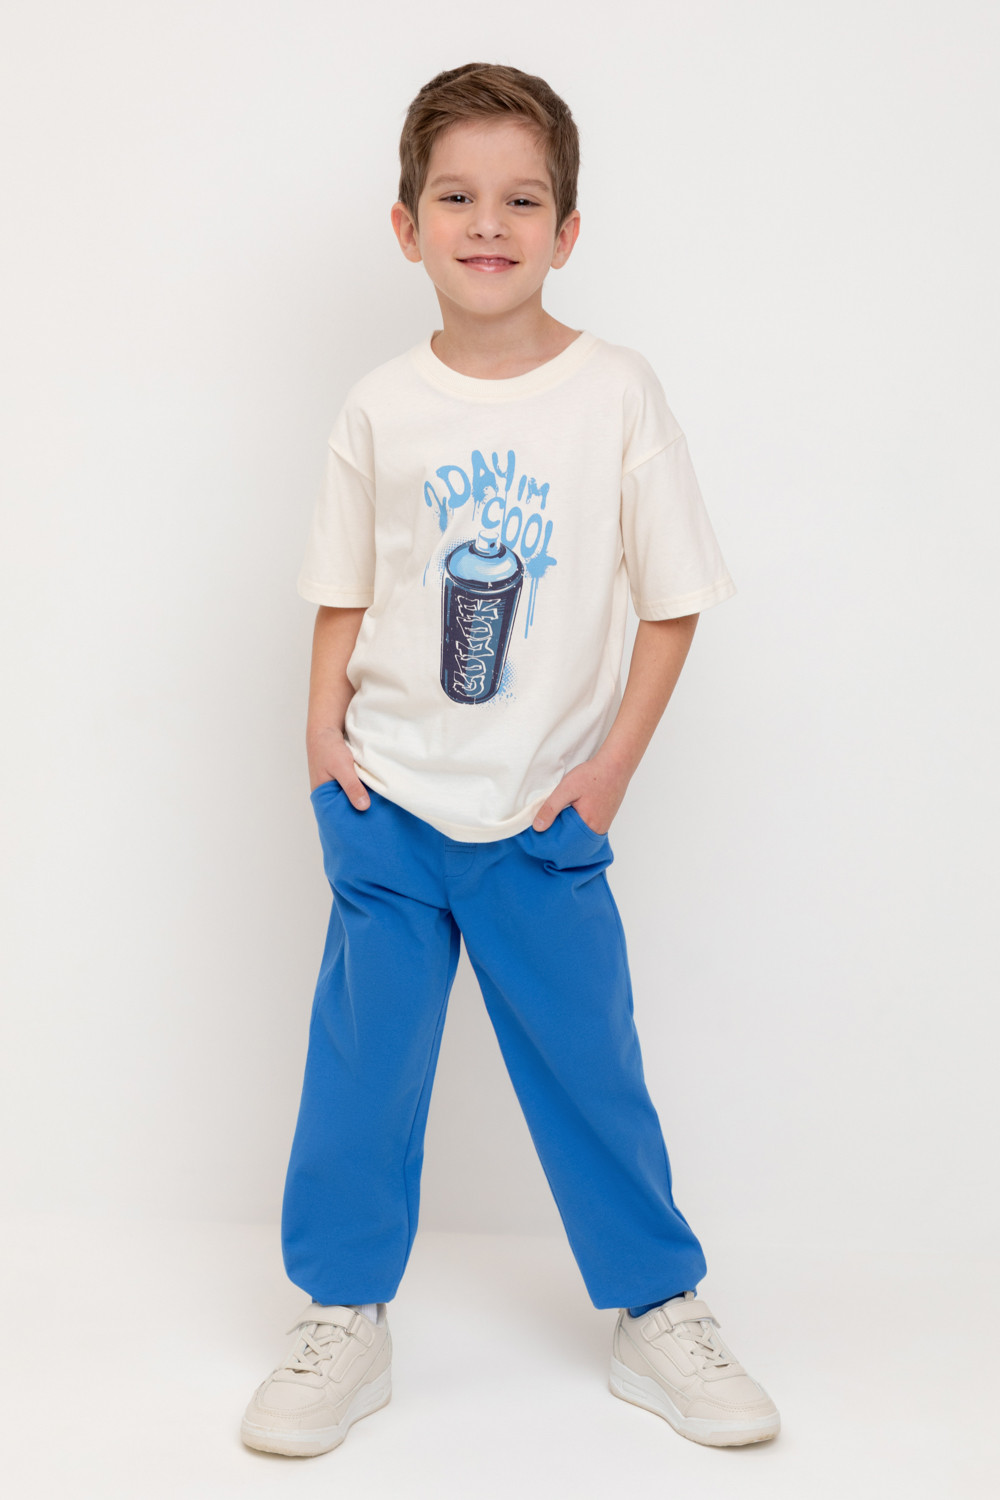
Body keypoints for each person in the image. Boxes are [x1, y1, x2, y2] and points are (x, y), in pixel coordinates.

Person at [240, 61, 780, 1458]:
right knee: (362, 1074)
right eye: (457, 197)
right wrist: (320, 741)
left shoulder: (617, 395)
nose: (489, 223)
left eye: (523, 200)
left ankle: (658, 1310)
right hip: (388, 803)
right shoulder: (381, 406)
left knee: (591, 1065)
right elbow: (344, 590)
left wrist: (608, 775)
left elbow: (674, 600)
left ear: (568, 229)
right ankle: (342, 1318)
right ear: (406, 226)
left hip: (542, 812)